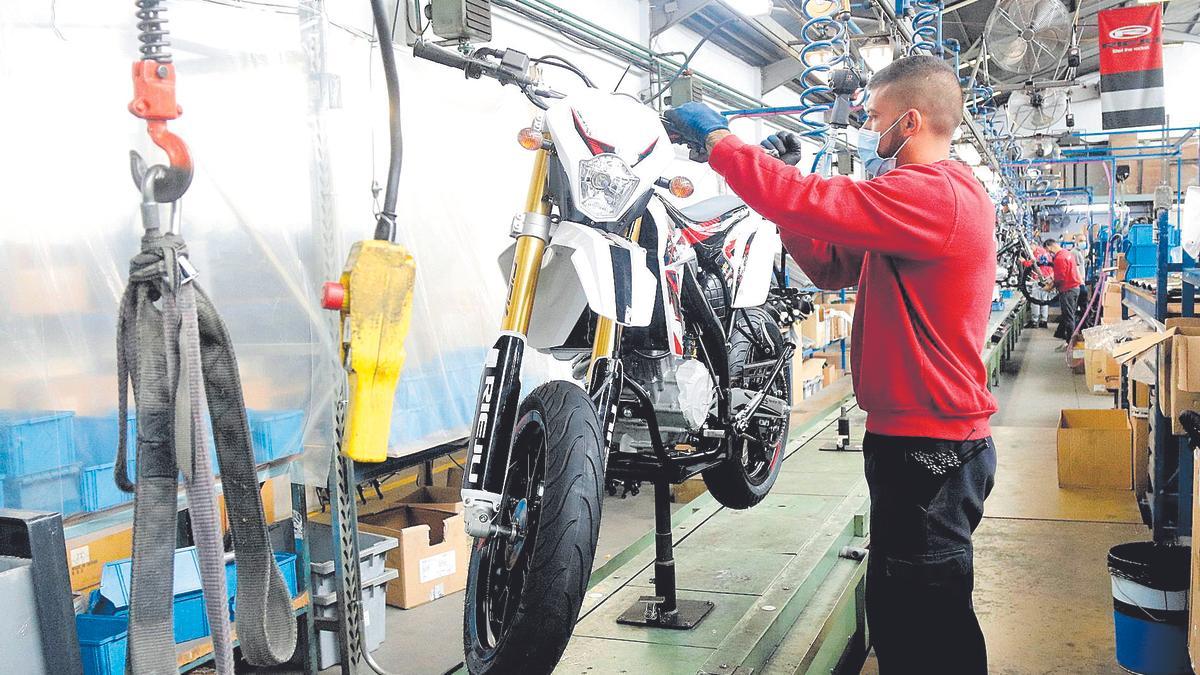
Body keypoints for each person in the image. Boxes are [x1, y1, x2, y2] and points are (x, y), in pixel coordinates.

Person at [666, 55, 997, 674]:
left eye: (875, 118)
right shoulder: (909, 206)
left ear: (911, 120)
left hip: (932, 452)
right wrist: (784, 196)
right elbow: (830, 264)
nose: (869, 130)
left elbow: (815, 200)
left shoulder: (934, 195)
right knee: (903, 611)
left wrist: (721, 143)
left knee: (929, 627)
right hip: (913, 445)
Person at [1044, 238, 1084, 350]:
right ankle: (1070, 342)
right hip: (1074, 288)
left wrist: (1050, 287)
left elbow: (1060, 278)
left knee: (1069, 317)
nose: (1048, 253)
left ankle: (1071, 344)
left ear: (1049, 246)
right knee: (1070, 316)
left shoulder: (1060, 258)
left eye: (1047, 250)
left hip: (1068, 290)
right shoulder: (1067, 253)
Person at [1027, 243, 1054, 328]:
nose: (1030, 249)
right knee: (1044, 301)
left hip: (1039, 279)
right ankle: (1044, 321)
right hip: (1047, 278)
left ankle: (1034, 321)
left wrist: (1023, 261)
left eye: (1031, 247)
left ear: (1034, 245)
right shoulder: (1045, 252)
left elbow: (1031, 264)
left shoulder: (1037, 253)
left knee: (1035, 300)